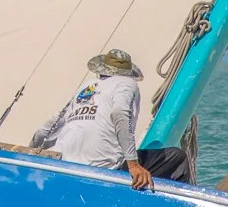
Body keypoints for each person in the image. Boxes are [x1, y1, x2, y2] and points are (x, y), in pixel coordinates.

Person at [30, 49, 193, 190]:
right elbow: (120, 113)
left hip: (65, 163)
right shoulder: (127, 83)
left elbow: (50, 126)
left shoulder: (88, 86)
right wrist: (133, 164)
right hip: (104, 169)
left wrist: (31, 152)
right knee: (177, 158)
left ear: (101, 70)